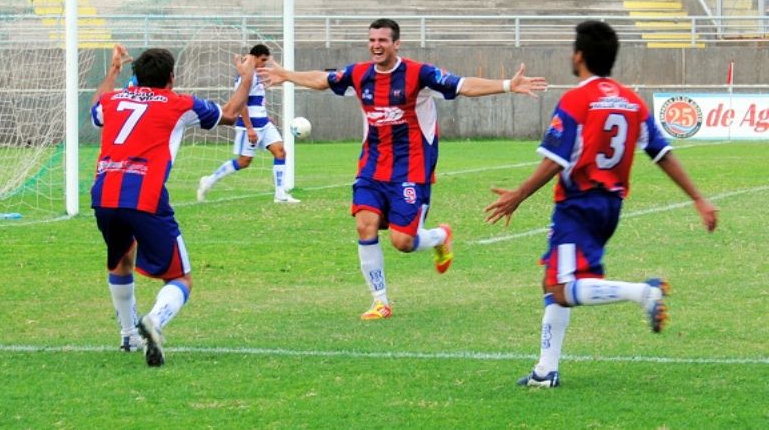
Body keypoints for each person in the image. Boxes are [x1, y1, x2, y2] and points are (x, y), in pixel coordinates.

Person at [259, 18, 548, 320]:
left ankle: (439, 236)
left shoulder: (418, 74)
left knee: (403, 242)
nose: (376, 45)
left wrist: (507, 86)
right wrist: (286, 75)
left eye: (383, 40)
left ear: (396, 44)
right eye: (372, 40)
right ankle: (380, 301)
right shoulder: (360, 74)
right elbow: (323, 79)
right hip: (371, 167)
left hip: (411, 171)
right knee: (364, 224)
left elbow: (463, 86)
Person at [484, 20, 719, 387]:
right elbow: (662, 154)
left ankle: (644, 292)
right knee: (552, 282)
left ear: (579, 56)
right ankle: (545, 371)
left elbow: (554, 159)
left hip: (578, 204)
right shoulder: (631, 100)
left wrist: (518, 195)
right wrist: (699, 199)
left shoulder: (577, 99)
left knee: (563, 287)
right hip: (610, 206)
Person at [90, 44, 256, 366]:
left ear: (135, 76)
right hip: (145, 195)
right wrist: (246, 78)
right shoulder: (178, 103)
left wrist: (113, 72)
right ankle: (153, 321)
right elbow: (231, 113)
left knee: (121, 260)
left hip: (105, 193)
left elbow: (96, 109)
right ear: (171, 78)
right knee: (180, 279)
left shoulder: (113, 100)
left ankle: (128, 337)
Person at [197, 44, 300, 203]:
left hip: (264, 124)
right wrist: (250, 128)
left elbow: (256, 101)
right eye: (263, 60)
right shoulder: (246, 76)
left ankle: (280, 195)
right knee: (244, 161)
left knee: (280, 152)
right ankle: (210, 180)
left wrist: (266, 117)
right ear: (255, 58)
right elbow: (241, 104)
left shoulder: (257, 74)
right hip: (250, 127)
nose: (264, 64)